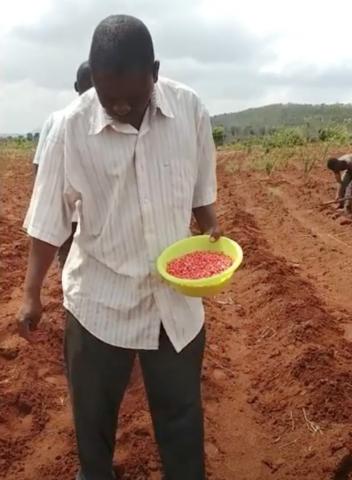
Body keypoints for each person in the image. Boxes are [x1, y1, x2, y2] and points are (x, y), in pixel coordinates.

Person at [18, 15, 220, 480]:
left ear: (155, 70)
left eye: (134, 96)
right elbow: (48, 219)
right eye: (111, 99)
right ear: (93, 76)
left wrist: (212, 228)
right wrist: (32, 292)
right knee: (93, 425)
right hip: (99, 301)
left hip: (174, 303)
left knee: (182, 416)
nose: (123, 107)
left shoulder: (189, 109)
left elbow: (201, 185)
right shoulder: (70, 128)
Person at [32, 61, 92, 268]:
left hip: (68, 213)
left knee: (69, 264)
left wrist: (45, 204)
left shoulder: (56, 119)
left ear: (76, 86)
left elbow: (40, 166)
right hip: (94, 215)